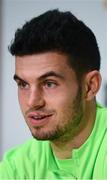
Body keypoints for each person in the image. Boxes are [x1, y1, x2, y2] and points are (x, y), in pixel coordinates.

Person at [0, 9, 107, 179]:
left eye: (49, 83)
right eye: (23, 84)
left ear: (90, 86)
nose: (32, 102)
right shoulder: (16, 167)